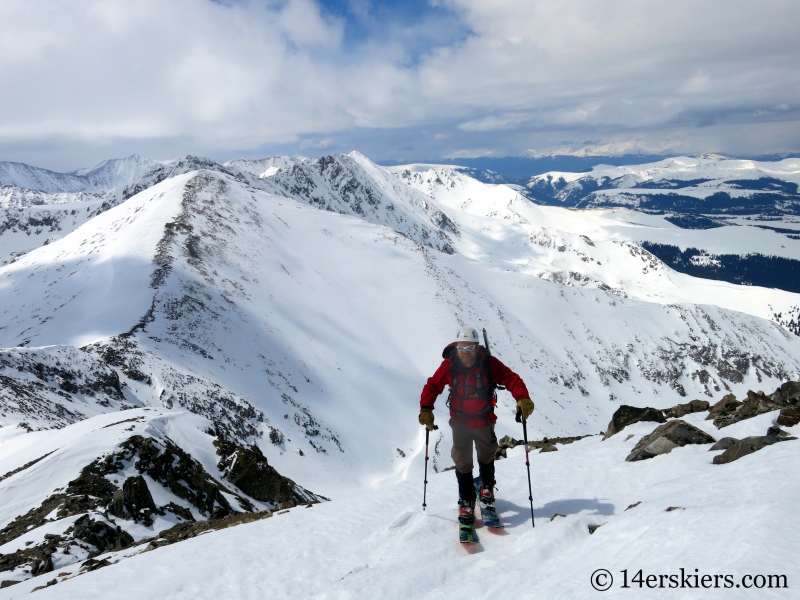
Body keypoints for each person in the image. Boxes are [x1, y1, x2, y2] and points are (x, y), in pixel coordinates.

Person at [418, 326, 534, 525]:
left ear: (477, 347)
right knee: (463, 461)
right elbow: (433, 385)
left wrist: (522, 398)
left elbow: (510, 378)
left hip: (483, 420)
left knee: (487, 455)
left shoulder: (489, 363)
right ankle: (466, 500)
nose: (465, 352)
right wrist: (426, 408)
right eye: (461, 348)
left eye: (469, 348)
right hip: (460, 422)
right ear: (456, 348)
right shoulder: (449, 365)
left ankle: (486, 489)